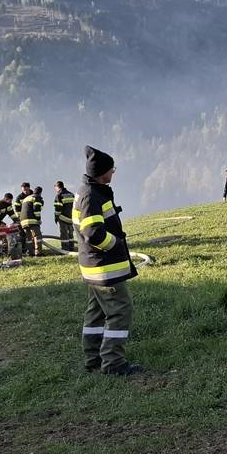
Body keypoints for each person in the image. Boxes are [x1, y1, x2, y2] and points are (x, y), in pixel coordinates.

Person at [76, 146, 142, 377]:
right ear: (102, 171)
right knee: (120, 310)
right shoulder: (92, 196)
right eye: (112, 169)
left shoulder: (88, 191)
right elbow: (93, 233)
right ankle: (113, 363)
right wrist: (115, 245)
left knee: (95, 313)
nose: (113, 173)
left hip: (93, 267)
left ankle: (93, 357)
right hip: (105, 268)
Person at [19, 185, 44, 256]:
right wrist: (38, 220)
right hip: (32, 220)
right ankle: (38, 253)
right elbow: (37, 210)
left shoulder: (27, 198)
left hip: (23, 221)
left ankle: (30, 253)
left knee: (29, 238)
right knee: (37, 236)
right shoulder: (37, 197)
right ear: (40, 193)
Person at [53, 181, 76, 251]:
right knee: (71, 234)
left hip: (63, 218)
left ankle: (65, 249)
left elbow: (58, 209)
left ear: (57, 187)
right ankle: (72, 247)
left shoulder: (59, 196)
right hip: (71, 218)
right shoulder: (71, 194)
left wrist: (56, 218)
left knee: (64, 234)